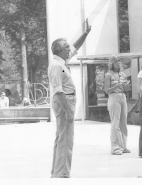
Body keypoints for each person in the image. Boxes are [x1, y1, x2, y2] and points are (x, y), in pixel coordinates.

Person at [48, 20, 91, 178]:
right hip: (64, 102)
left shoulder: (61, 60)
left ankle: (57, 173)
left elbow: (75, 46)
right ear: (59, 50)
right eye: (66, 47)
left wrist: (86, 33)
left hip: (65, 101)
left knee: (61, 139)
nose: (70, 49)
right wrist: (68, 112)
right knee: (66, 141)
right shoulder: (56, 65)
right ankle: (62, 175)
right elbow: (58, 92)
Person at [104, 55, 131, 155]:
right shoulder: (108, 75)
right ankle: (115, 147)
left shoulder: (122, 74)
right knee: (115, 122)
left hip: (122, 96)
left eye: (119, 61)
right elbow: (107, 90)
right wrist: (116, 86)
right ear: (111, 63)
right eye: (116, 61)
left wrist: (126, 87)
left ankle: (124, 146)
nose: (118, 63)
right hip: (114, 97)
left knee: (123, 122)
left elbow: (126, 89)